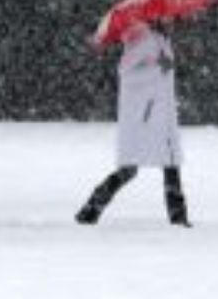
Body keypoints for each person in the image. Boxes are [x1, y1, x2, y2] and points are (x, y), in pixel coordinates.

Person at [76, 18, 191, 227]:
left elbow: (163, 70)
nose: (172, 22)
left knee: (170, 164)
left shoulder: (160, 38)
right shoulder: (143, 38)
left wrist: (162, 65)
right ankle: (90, 210)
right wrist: (157, 67)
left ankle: (178, 218)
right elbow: (126, 71)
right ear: (156, 17)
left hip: (160, 113)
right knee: (130, 168)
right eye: (168, 18)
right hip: (144, 114)